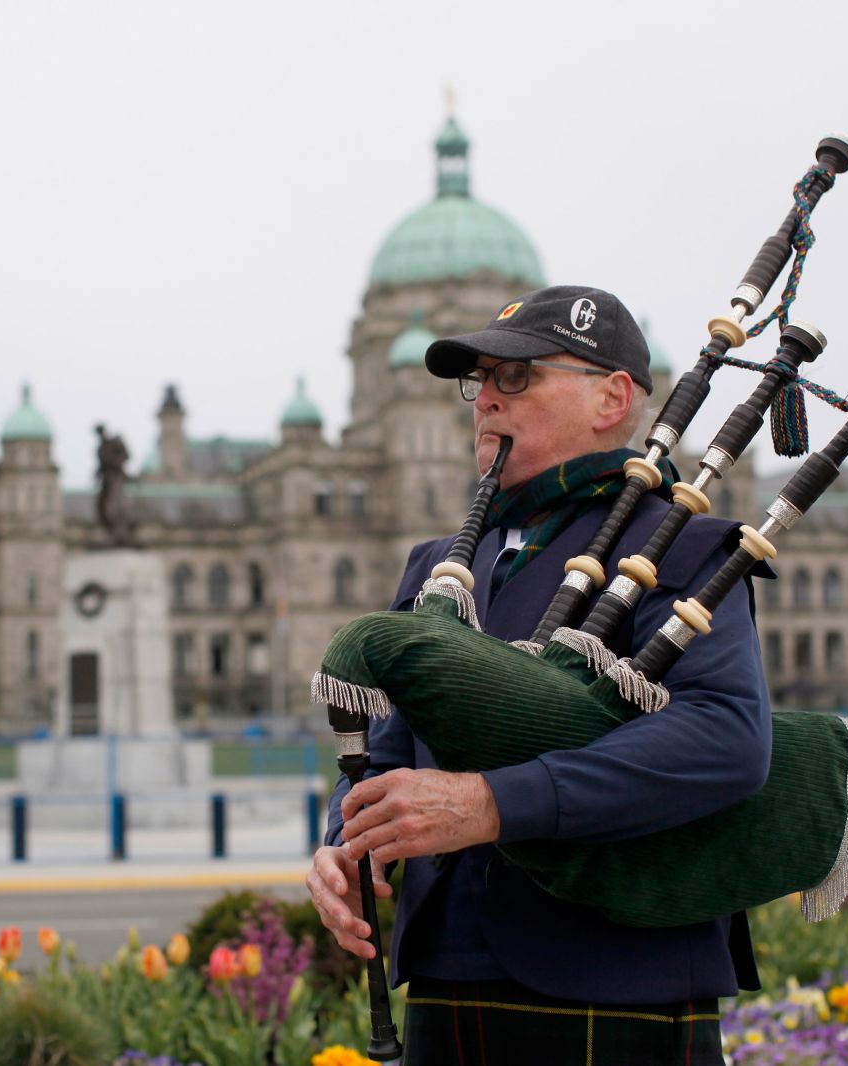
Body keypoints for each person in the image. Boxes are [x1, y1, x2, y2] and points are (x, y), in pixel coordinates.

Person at [305, 285, 772, 1065]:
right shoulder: (439, 566)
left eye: (515, 377)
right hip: (446, 969)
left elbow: (725, 740)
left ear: (611, 398)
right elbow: (388, 752)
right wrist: (344, 845)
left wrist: (491, 803)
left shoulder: (684, 546)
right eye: (479, 379)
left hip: (620, 971)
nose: (485, 399)